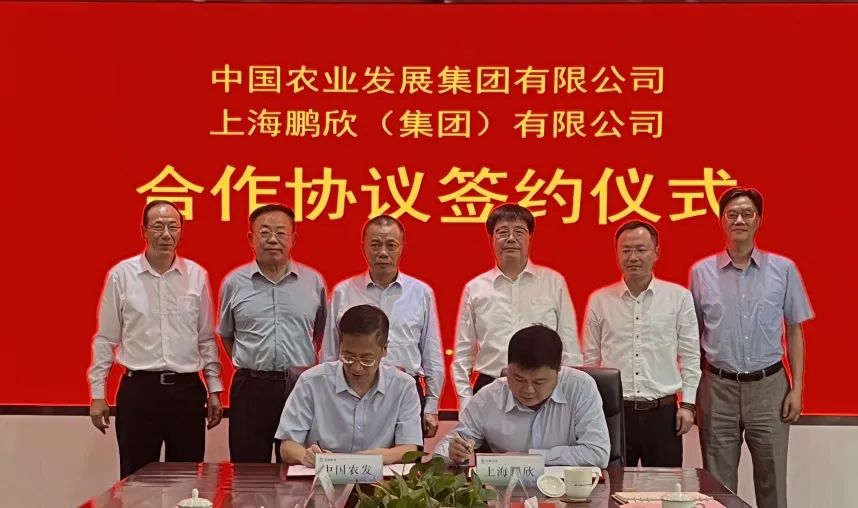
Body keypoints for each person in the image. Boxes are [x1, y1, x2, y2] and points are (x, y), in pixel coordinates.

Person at [691, 188, 813, 508]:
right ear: (721, 221)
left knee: (772, 483)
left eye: (747, 214)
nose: (739, 220)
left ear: (758, 220)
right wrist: (692, 392)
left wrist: (797, 388)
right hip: (717, 388)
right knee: (717, 488)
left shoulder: (783, 269)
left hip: (769, 388)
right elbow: (692, 337)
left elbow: (794, 330)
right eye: (732, 214)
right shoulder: (701, 273)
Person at [88, 200, 223, 479]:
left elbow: (206, 339)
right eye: (158, 226)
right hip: (140, 391)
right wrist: (98, 394)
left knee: (186, 479)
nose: (166, 234)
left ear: (181, 231)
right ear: (144, 230)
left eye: (173, 227)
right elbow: (106, 339)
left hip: (186, 392)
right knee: (135, 480)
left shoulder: (196, 276)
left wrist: (214, 389)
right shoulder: (122, 276)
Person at [582, 220, 700, 467]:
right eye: (626, 250)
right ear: (617, 255)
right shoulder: (600, 300)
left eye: (641, 249)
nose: (633, 257)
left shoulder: (678, 298)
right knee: (612, 484)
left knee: (664, 486)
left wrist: (688, 404)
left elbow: (690, 356)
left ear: (656, 252)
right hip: (615, 413)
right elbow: (590, 362)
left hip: (663, 413)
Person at [219, 204, 327, 463]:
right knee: (247, 469)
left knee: (297, 466)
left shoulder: (313, 282)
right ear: (251, 238)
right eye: (264, 232)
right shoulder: (234, 282)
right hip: (250, 388)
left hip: (299, 387)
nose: (272, 240)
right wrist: (252, 363)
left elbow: (320, 333)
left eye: (280, 233)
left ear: (294, 238)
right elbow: (227, 334)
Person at [320, 215, 444, 437]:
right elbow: (329, 354)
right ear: (363, 247)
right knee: (353, 456)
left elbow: (431, 353)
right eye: (375, 245)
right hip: (352, 391)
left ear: (402, 247)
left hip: (406, 391)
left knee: (406, 457)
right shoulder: (343, 292)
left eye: (391, 245)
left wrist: (432, 406)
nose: (383, 253)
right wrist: (327, 400)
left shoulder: (421, 292)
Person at [452, 204, 581, 411]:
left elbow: (570, 347)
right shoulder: (475, 288)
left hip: (542, 389)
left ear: (530, 238)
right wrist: (466, 400)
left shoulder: (553, 282)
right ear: (491, 239)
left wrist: (570, 397)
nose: (511, 238)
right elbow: (463, 353)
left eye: (519, 231)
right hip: (490, 387)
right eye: (502, 232)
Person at [436, 325, 609, 468]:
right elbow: (444, 451)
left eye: (539, 382)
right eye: (518, 379)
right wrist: (454, 453)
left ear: (558, 370)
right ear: (508, 368)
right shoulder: (488, 398)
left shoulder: (580, 387)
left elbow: (597, 453)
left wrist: (529, 458)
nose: (528, 390)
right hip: (507, 491)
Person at [278, 304, 423, 466]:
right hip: (323, 476)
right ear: (340, 346)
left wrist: (381, 457)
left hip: (380, 479)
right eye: (348, 356)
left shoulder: (404, 386)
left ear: (384, 349)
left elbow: (409, 448)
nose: (356, 367)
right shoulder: (311, 382)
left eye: (367, 359)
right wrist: (306, 456)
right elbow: (287, 446)